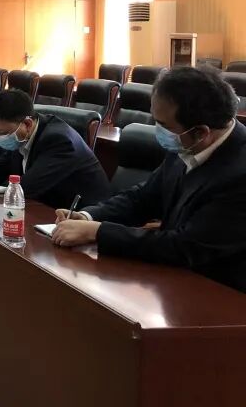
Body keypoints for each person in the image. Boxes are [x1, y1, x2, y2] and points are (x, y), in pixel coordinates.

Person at [52, 67, 246, 292]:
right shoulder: (187, 142)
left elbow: (184, 246)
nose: (157, 131)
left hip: (222, 294)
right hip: (175, 281)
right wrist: (89, 216)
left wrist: (97, 232)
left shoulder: (239, 174)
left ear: (201, 132)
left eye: (164, 125)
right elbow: (143, 198)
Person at [0, 89, 111, 209]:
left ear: (27, 123)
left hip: (78, 216)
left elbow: (26, 188)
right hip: (43, 207)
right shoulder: (20, 135)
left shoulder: (59, 140)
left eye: (2, 133)